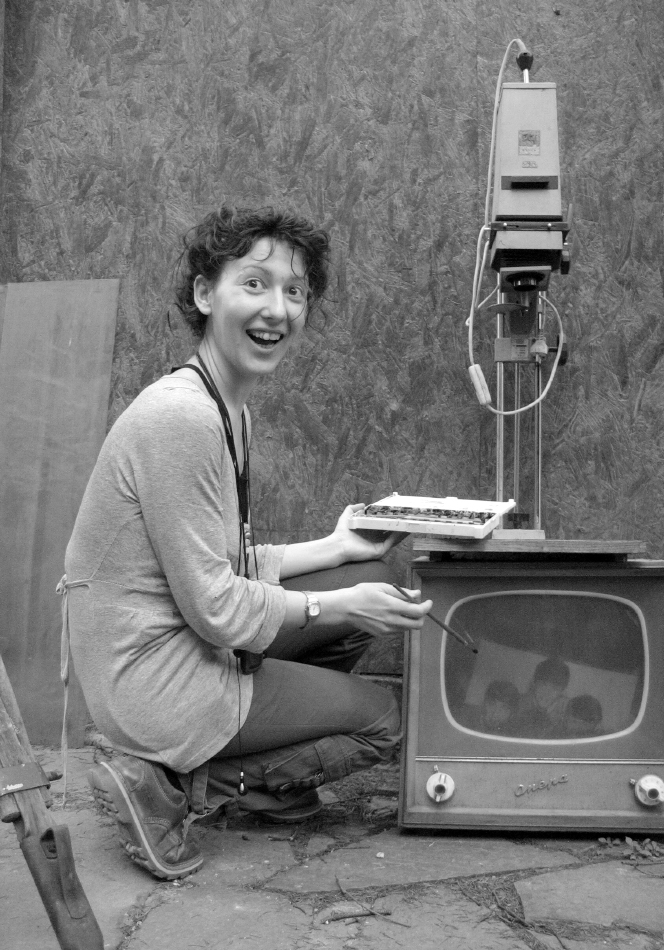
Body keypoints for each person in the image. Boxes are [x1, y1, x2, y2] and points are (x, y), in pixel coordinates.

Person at [60, 205, 432, 881]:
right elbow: (216, 608)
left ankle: (245, 771)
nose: (278, 309)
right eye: (255, 284)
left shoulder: (228, 409)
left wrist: (337, 546)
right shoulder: (181, 418)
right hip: (150, 676)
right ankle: (175, 785)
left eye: (296, 292)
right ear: (206, 294)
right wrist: (336, 604)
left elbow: (221, 564)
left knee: (369, 576)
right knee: (384, 719)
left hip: (180, 638)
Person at [511, 657, 570, 738]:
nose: (547, 693)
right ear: (534, 683)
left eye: (555, 688)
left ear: (562, 692)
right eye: (543, 685)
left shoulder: (566, 715)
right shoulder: (515, 704)